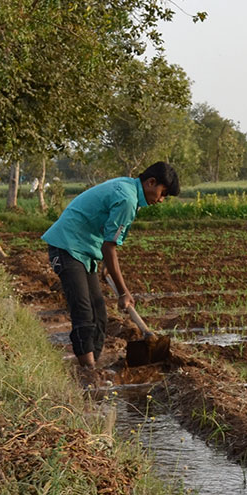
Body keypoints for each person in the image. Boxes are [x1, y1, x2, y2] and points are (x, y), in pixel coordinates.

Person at [42, 162, 179, 379]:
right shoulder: (127, 198)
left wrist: (106, 263)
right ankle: (88, 372)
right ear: (151, 182)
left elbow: (108, 239)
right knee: (83, 310)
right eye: (163, 193)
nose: (161, 200)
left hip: (84, 248)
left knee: (99, 313)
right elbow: (109, 247)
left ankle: (92, 365)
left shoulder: (128, 188)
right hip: (67, 246)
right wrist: (124, 292)